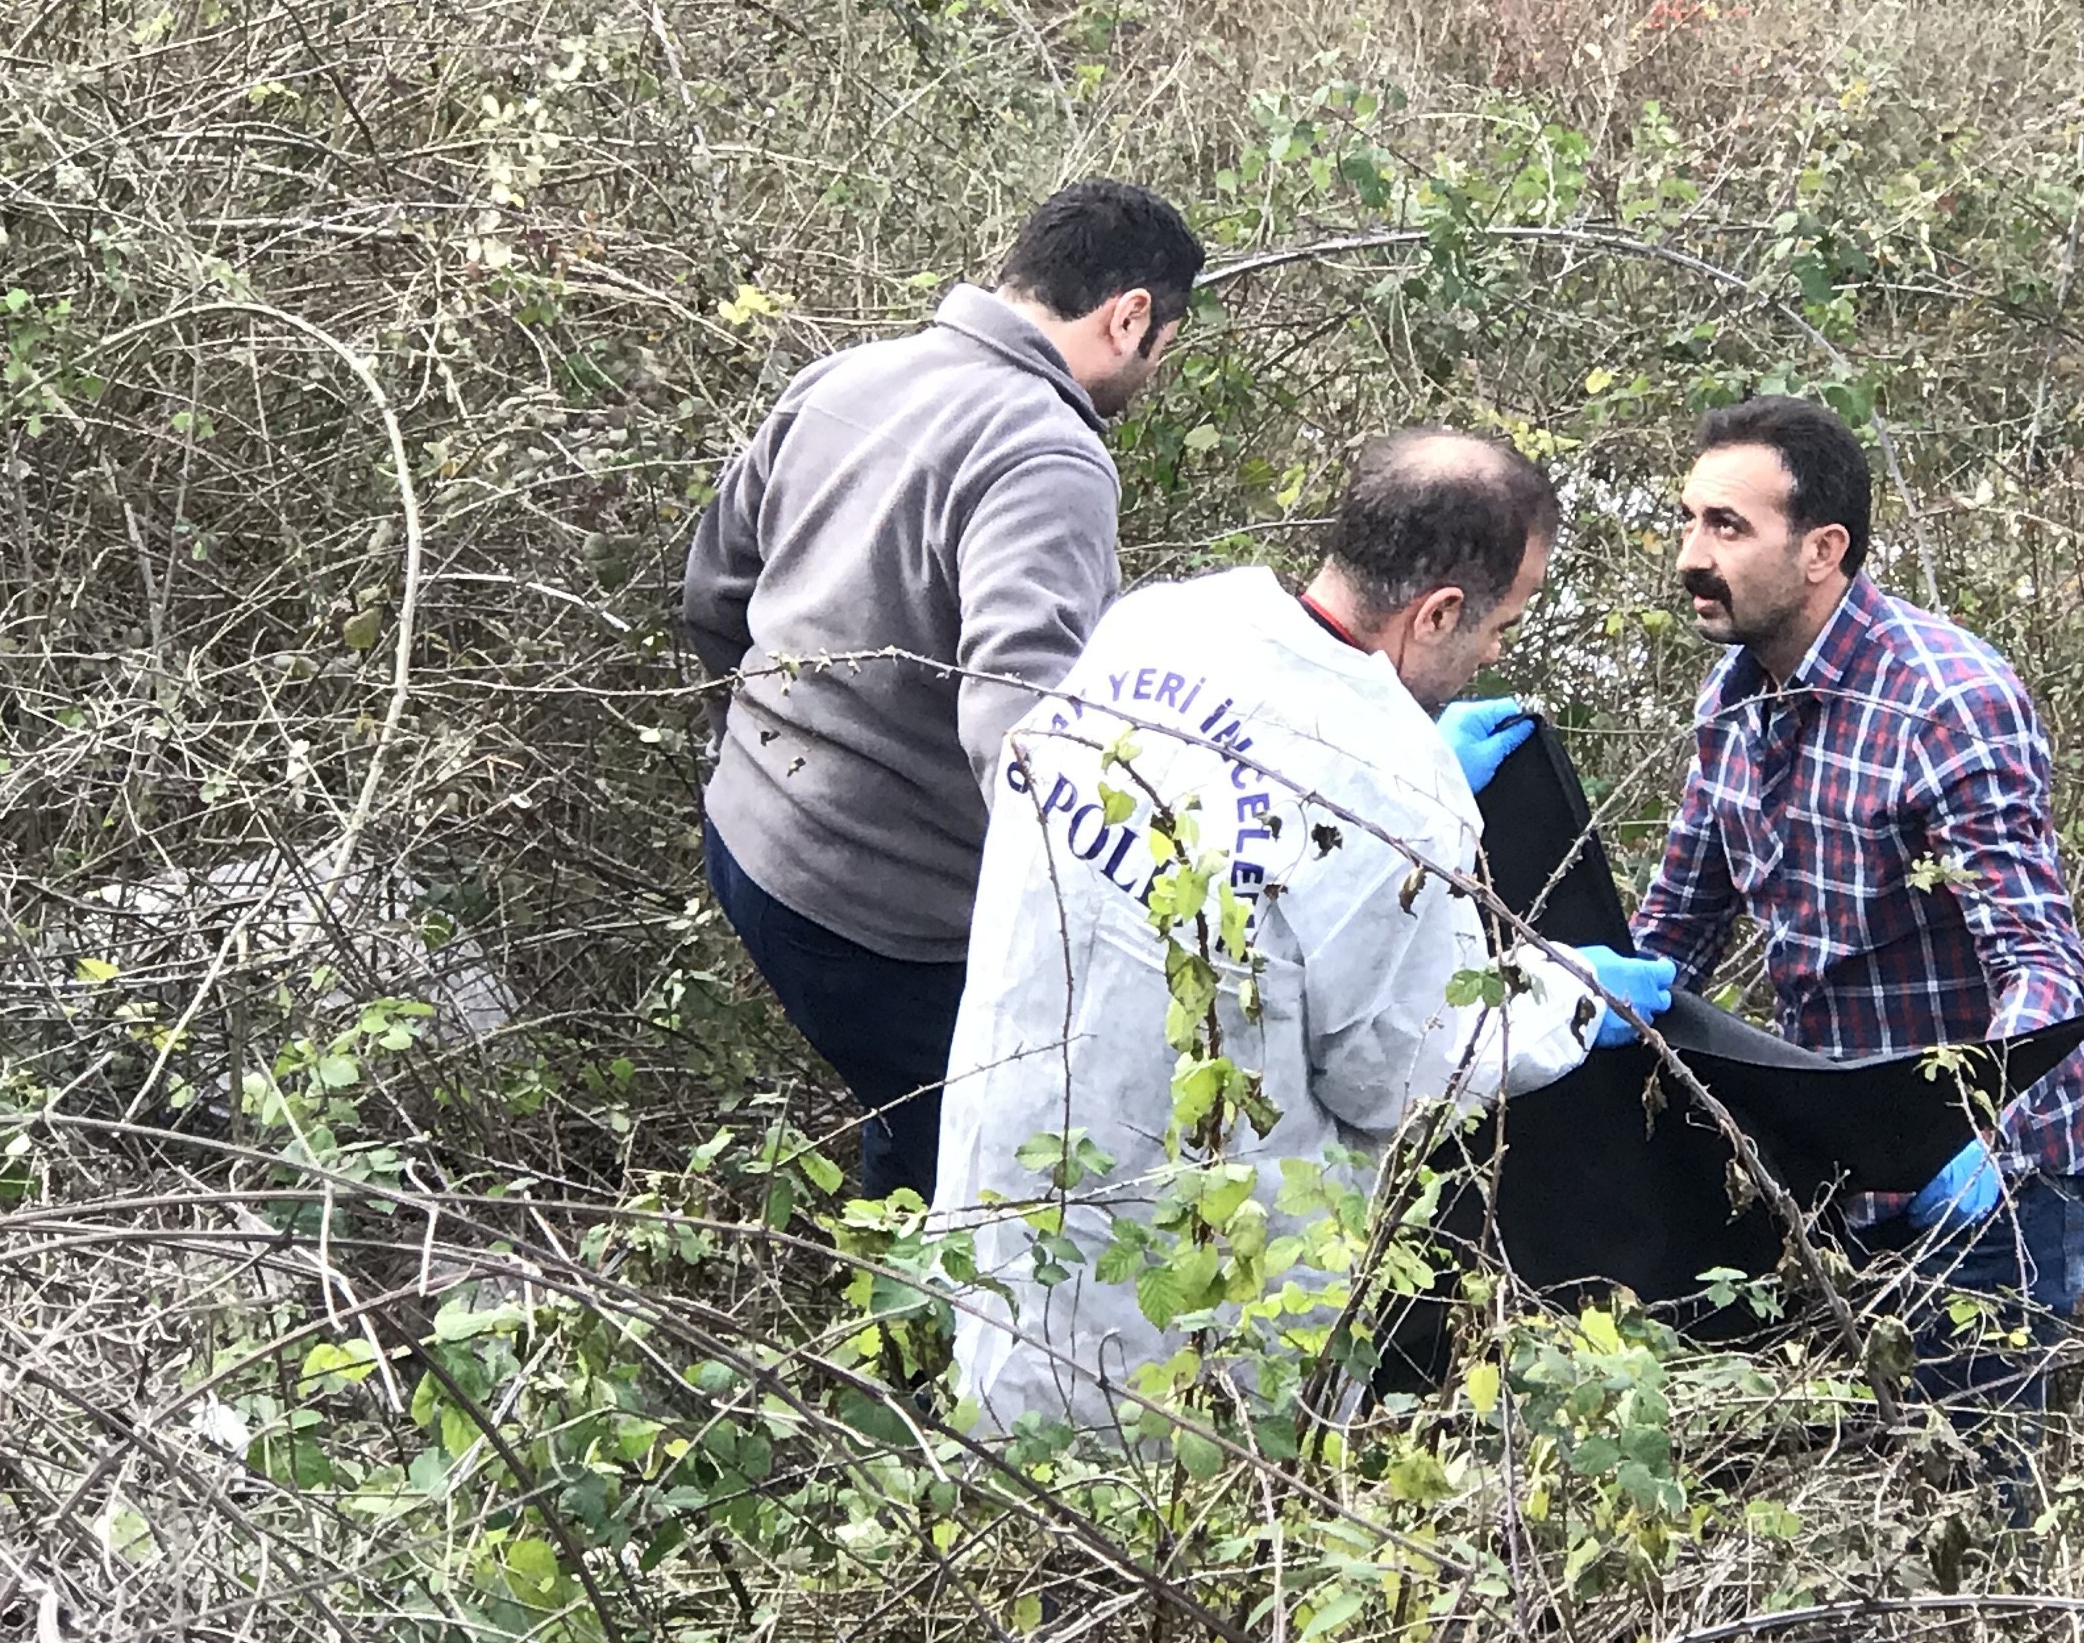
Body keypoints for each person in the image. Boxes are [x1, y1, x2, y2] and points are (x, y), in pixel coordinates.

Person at [932, 430, 1676, 1436]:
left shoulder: (1161, 625)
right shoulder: (1401, 793)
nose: (1498, 650)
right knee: (1165, 1507)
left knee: (1004, 1456)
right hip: (1200, 1282)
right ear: (1440, 610)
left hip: (1017, 1171)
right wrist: (1568, 998)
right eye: (1505, 620)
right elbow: (1393, 1069)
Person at [677, 180, 1205, 1200]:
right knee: (985, 1173)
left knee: (905, 1115)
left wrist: (756, 755)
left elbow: (714, 592)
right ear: (1130, 315)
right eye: (1164, 343)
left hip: (747, 840)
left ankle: (888, 1241)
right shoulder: (1049, 454)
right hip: (880, 919)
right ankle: (906, 1344)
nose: (1155, 370)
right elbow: (1018, 724)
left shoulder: (847, 374)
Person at [1627, 394, 2084, 1453]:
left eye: (1727, 527)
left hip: (1994, 1175)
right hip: (1844, 1162)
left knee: (1966, 1492)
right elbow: (1677, 928)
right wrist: (1592, 990)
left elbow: (2038, 964)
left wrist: (1974, 1130)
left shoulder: (1945, 703)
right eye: (1687, 520)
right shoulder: (1734, 700)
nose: (1689, 557)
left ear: (1822, 550)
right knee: (1835, 1493)